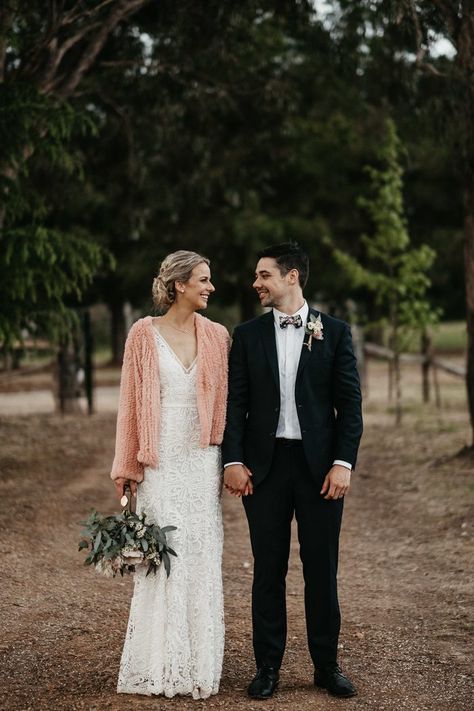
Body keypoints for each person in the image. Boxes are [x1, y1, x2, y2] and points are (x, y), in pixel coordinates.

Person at [222, 242, 363, 700]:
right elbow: (236, 404)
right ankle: (267, 667)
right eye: (257, 276)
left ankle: (326, 666)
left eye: (264, 275)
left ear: (292, 277)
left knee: (322, 569)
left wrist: (342, 464)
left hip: (319, 469)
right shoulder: (246, 335)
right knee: (268, 569)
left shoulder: (335, 332)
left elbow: (350, 406)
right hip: (264, 470)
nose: (256, 283)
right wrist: (234, 460)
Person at [110, 250, 230, 699]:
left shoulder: (218, 336)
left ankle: (199, 664)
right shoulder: (143, 333)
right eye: (203, 279)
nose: (210, 287)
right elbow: (130, 403)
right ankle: (160, 663)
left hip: (202, 459)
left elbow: (228, 404)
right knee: (164, 556)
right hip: (159, 460)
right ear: (179, 284)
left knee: (200, 554)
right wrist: (127, 466)